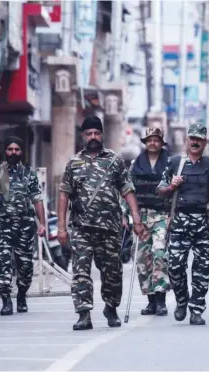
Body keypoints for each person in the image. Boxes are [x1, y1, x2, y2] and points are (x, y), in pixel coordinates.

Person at [57, 116, 147, 330]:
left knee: (112, 272)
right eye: (89, 134)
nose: (93, 137)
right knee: (80, 272)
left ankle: (111, 307)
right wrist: (61, 227)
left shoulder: (114, 160)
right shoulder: (73, 162)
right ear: (83, 136)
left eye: (97, 133)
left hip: (110, 229)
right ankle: (83, 314)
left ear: (102, 135)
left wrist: (136, 218)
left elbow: (127, 189)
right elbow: (64, 195)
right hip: (81, 228)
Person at [157, 122, 209, 326]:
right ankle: (182, 300)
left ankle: (197, 309)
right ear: (187, 140)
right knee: (175, 266)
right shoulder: (174, 163)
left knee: (203, 268)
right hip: (180, 222)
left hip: (205, 224)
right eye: (192, 138)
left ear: (205, 142)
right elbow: (160, 190)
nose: (196, 142)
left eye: (200, 139)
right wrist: (171, 185)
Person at [0, 136, 46, 316]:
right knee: (3, 265)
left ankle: (21, 295)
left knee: (26, 267)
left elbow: (37, 200)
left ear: (21, 152)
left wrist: (42, 223)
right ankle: (6, 301)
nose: (13, 152)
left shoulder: (29, 174)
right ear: (5, 151)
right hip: (3, 226)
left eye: (17, 149)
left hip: (25, 226)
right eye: (10, 149)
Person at [126, 126, 172, 316]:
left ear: (161, 142)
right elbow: (128, 191)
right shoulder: (135, 165)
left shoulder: (170, 164)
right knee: (143, 259)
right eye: (150, 140)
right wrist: (133, 218)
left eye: (156, 140)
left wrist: (172, 216)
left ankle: (161, 300)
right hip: (141, 215)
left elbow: (175, 193)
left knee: (159, 254)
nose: (153, 143)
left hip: (162, 215)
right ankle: (151, 300)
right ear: (145, 142)